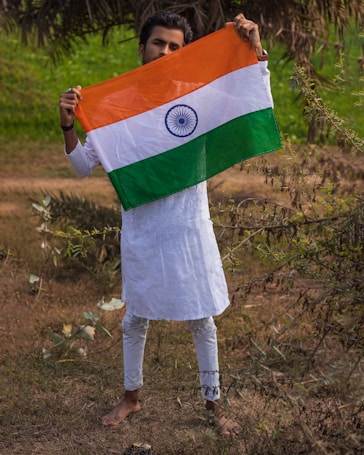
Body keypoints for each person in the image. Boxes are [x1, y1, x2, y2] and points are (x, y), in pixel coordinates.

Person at [59, 11, 271, 437]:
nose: (166, 52)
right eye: (159, 43)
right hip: (143, 227)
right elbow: (82, 166)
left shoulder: (200, 96)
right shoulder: (117, 106)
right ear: (142, 48)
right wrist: (68, 124)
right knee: (135, 316)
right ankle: (131, 398)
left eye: (176, 46)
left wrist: (255, 48)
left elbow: (247, 101)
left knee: (202, 317)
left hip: (190, 224)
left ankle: (212, 404)